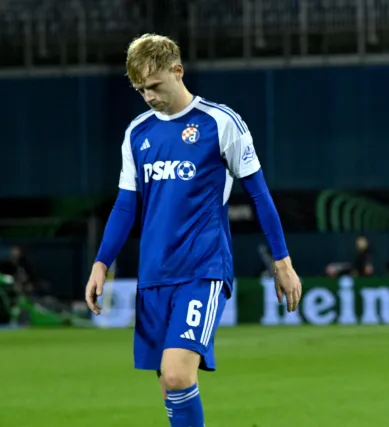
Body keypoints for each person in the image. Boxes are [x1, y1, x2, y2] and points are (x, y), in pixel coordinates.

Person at [83, 33, 302, 427]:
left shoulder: (220, 122)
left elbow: (260, 195)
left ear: (177, 71)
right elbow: (126, 205)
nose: (148, 97)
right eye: (140, 90)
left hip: (202, 269)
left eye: (154, 86)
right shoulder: (138, 133)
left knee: (177, 375)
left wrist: (282, 262)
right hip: (154, 274)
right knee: (169, 385)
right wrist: (101, 263)